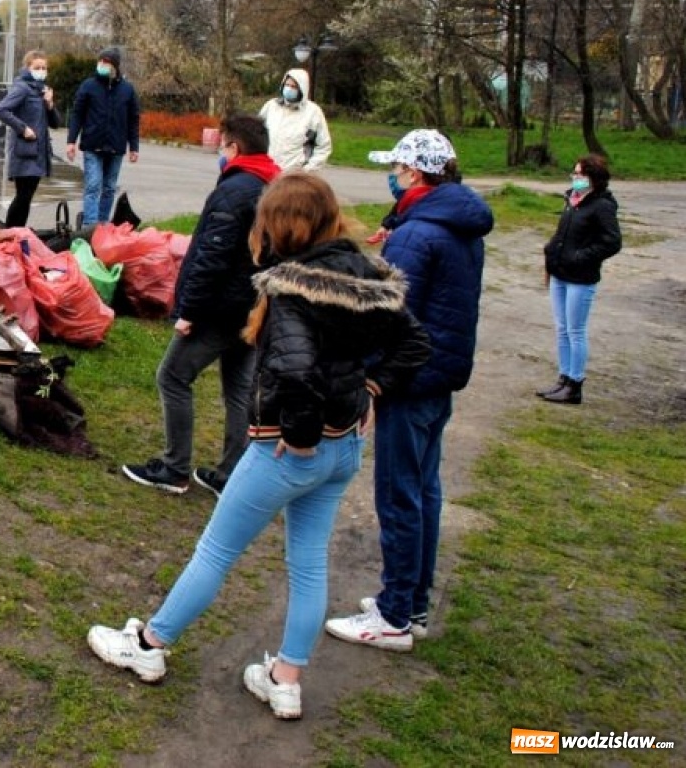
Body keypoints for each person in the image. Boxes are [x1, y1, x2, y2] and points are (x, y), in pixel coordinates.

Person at [87, 173, 429, 720]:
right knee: (309, 563)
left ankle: (148, 646)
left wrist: (299, 438)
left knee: (216, 551)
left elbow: (294, 373)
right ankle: (285, 679)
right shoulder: (367, 274)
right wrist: (369, 388)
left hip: (289, 451)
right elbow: (414, 340)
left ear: (281, 224)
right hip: (342, 450)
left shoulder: (292, 289)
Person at [325, 129, 493, 652]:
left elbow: (390, 313)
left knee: (398, 495)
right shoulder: (455, 223)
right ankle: (413, 602)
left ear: (416, 174)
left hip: (408, 379)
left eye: (397, 169)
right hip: (439, 375)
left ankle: (394, 615)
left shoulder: (420, 235)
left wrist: (371, 379)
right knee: (424, 490)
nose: (392, 177)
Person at [121, 113, 281, 497]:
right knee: (239, 388)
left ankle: (175, 468)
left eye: (221, 145)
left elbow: (213, 256)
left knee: (173, 376)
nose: (218, 153)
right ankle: (233, 473)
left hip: (220, 307)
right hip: (254, 305)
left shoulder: (234, 191)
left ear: (234, 147)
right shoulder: (276, 185)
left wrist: (189, 310)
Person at [535, 154, 621, 405]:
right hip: (559, 273)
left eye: (581, 175)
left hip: (581, 277)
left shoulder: (602, 206)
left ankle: (575, 383)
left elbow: (612, 242)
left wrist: (580, 257)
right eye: (574, 173)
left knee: (576, 330)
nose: (576, 178)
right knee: (562, 328)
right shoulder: (572, 200)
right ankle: (563, 378)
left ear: (594, 178)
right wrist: (552, 250)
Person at [66, 46, 140, 231]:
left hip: (116, 147)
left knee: (109, 188)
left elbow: (133, 119)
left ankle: (103, 224)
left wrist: (134, 147)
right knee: (93, 185)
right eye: (101, 61)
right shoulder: (89, 86)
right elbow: (77, 115)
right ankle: (90, 227)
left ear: (115, 66)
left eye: (106, 62)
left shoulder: (127, 90)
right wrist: (71, 141)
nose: (102, 65)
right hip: (93, 145)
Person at [0, 51, 60, 228]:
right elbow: (1, 110)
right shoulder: (22, 87)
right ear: (27, 68)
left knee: (26, 198)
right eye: (37, 67)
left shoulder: (42, 91)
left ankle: (16, 233)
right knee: (23, 197)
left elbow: (55, 123)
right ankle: (10, 233)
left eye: (44, 68)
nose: (41, 71)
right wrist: (23, 129)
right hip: (24, 152)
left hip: (39, 153)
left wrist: (50, 104)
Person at [259, 68, 332, 172]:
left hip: (294, 176)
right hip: (267, 171)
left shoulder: (313, 112)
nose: (289, 89)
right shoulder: (271, 106)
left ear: (302, 89)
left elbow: (323, 146)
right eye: (287, 85)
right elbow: (256, 135)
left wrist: (307, 170)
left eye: (293, 87)